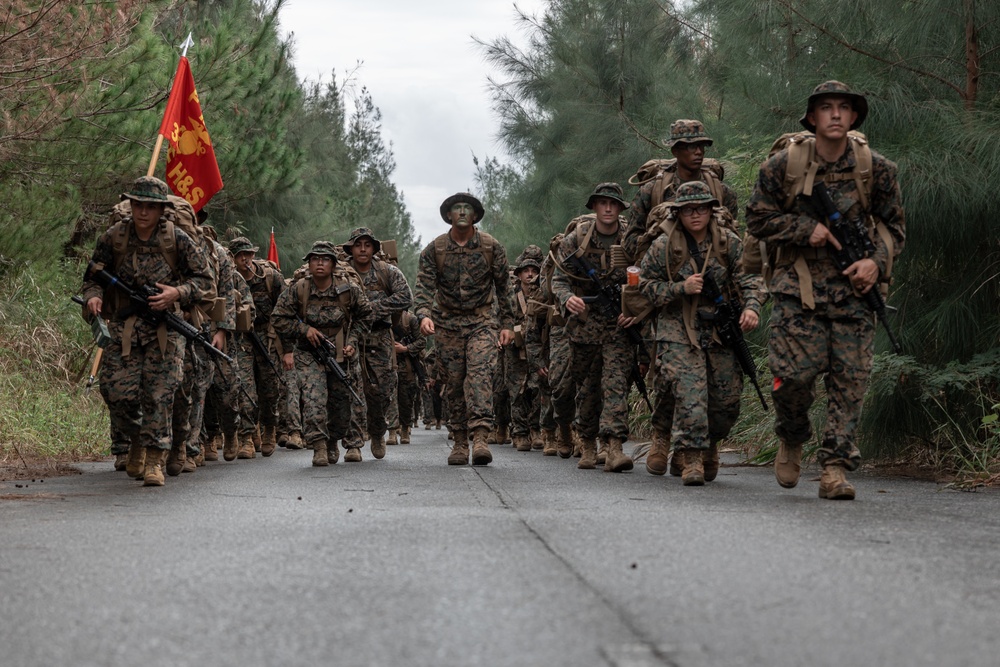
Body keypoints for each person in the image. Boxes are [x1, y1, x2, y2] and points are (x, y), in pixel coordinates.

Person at [746, 80, 905, 500]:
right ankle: (793, 435)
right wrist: (805, 228)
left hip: (854, 293)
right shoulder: (782, 167)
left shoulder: (878, 169)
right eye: (826, 107)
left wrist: (875, 262)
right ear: (812, 118)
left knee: (850, 383)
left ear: (854, 117)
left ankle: (835, 468)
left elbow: (894, 228)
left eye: (844, 108)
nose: (835, 114)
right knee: (792, 380)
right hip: (799, 293)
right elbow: (757, 220)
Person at [81, 176, 214, 486]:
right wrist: (94, 296)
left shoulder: (177, 239)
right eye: (138, 205)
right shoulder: (114, 237)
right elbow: (91, 277)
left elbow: (206, 284)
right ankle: (137, 440)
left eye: (150, 207)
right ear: (131, 206)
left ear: (161, 209)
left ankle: (154, 461)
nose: (143, 212)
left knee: (159, 395)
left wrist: (176, 293)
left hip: (165, 329)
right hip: (125, 326)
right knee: (116, 394)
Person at [639, 182, 766, 485]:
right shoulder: (664, 245)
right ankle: (692, 459)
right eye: (688, 209)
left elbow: (751, 277)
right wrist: (679, 288)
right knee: (690, 393)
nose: (695, 214)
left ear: (711, 210)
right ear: (679, 212)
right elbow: (643, 286)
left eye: (702, 208)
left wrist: (752, 307)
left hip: (720, 324)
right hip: (677, 325)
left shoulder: (729, 242)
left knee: (726, 400)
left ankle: (709, 445)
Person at [413, 193, 514, 466]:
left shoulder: (491, 247)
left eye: (466, 208)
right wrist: (423, 315)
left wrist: (507, 325)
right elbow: (423, 288)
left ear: (474, 215)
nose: (460, 212)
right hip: (447, 325)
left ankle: (480, 436)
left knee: (480, 373)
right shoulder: (436, 249)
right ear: (448, 215)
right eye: (456, 208)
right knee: (454, 383)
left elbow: (505, 288)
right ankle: (459, 440)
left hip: (482, 321)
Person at [550, 182, 642, 472]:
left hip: (618, 323)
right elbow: (558, 280)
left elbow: (643, 278)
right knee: (588, 388)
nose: (608, 208)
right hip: (585, 325)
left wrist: (636, 311)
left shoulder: (630, 240)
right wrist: (569, 299)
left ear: (620, 208)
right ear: (594, 206)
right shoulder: (576, 239)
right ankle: (587, 442)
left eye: (613, 203)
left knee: (615, 384)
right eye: (603, 203)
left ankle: (614, 446)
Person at [271, 241, 373, 465]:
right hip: (309, 354)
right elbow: (278, 318)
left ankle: (332, 441)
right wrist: (304, 330)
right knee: (314, 399)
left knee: (340, 403)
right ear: (309, 263)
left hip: (340, 352)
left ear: (333, 264)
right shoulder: (299, 289)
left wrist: (352, 341)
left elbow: (366, 315)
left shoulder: (348, 290)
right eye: (315, 258)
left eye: (325, 259)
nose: (319, 263)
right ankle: (318, 446)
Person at [622, 119, 739, 262]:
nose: (699, 152)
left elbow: (732, 237)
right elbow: (629, 243)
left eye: (701, 146)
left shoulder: (721, 191)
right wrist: (659, 245)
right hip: (665, 273)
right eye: (691, 147)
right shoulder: (652, 191)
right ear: (675, 151)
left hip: (712, 271)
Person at [343, 227, 413, 459]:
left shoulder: (387, 271)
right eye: (358, 245)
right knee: (351, 388)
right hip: (349, 337)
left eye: (367, 245)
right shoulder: (342, 272)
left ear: (374, 248)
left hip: (380, 336)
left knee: (382, 392)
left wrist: (373, 309)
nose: (362, 249)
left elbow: (406, 297)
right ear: (351, 248)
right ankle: (353, 443)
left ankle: (376, 432)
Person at [230, 235, 284, 458]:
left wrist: (284, 343)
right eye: (240, 255)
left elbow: (285, 308)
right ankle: (247, 437)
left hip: (267, 335)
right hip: (242, 337)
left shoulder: (270, 277)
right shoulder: (228, 279)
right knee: (244, 387)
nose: (245, 259)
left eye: (248, 254)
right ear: (232, 259)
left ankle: (269, 429)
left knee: (270, 388)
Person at [508, 246, 544, 452]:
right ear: (519, 274)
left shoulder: (542, 295)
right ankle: (519, 433)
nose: (530, 274)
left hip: (537, 349)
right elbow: (500, 319)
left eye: (534, 270)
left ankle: (535, 430)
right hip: (515, 351)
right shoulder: (511, 297)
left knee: (537, 387)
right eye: (526, 270)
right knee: (517, 391)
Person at [392, 309, 425, 445]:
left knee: (405, 399)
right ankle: (391, 431)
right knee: (388, 399)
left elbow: (422, 341)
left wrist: (405, 349)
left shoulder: (410, 319)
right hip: (386, 362)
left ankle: (405, 428)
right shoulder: (382, 314)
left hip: (406, 366)